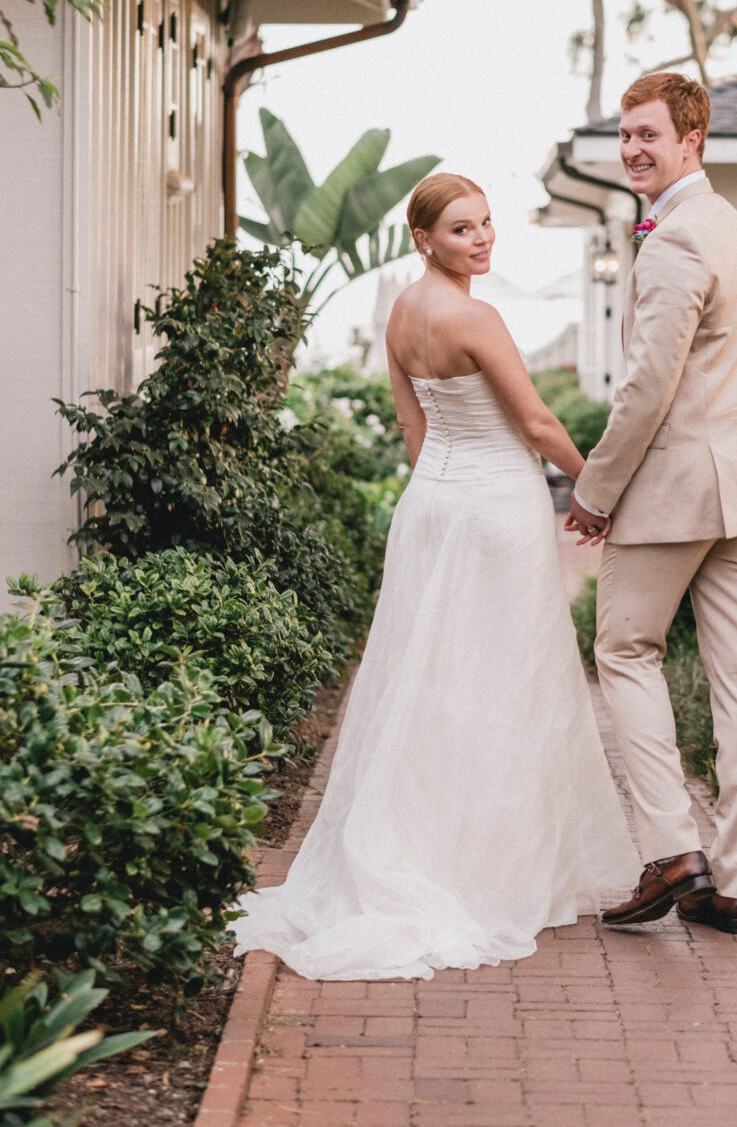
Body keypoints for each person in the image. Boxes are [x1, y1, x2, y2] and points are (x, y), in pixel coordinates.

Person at [232, 172, 637, 981]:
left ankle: (430, 847)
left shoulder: (403, 312)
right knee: (506, 679)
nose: (482, 239)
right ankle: (487, 869)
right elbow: (535, 421)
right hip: (494, 510)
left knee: (432, 677)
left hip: (432, 507)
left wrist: (441, 495)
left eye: (486, 224)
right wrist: (597, 491)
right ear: (424, 238)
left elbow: (412, 425)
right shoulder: (473, 316)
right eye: (461, 229)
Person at [566, 72, 737, 935]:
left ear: (690, 137)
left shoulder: (671, 241)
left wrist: (594, 494)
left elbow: (645, 389)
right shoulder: (731, 226)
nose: (631, 149)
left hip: (674, 492)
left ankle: (671, 849)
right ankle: (732, 884)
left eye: (647, 135)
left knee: (625, 651)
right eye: (625, 135)